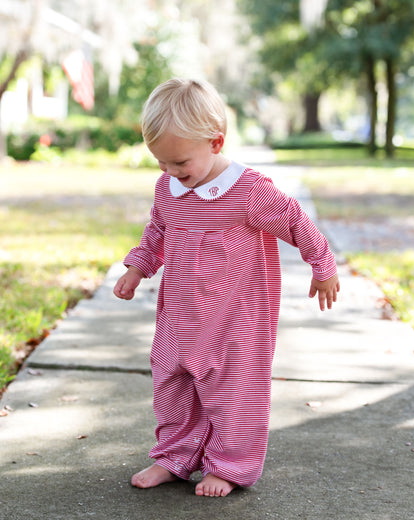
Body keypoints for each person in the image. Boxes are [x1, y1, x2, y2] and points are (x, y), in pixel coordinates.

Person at [113, 78, 340, 498]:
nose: (171, 173)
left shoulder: (248, 192)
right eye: (161, 163)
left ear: (215, 143)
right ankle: (174, 457)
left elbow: (296, 222)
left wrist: (322, 266)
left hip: (237, 318)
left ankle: (230, 465)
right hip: (180, 316)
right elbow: (157, 231)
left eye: (180, 163)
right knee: (171, 384)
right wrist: (137, 267)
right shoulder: (169, 188)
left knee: (235, 394)